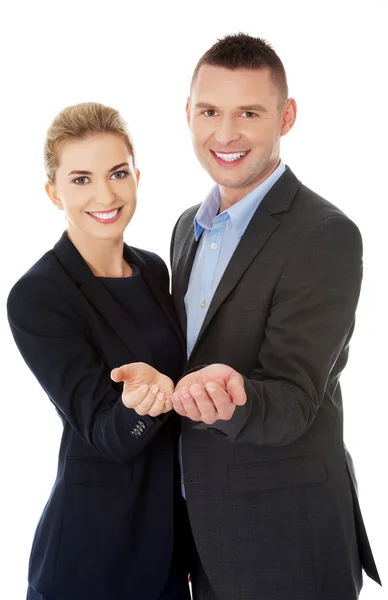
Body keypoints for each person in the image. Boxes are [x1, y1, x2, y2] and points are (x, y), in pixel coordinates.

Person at [113, 34, 382, 599]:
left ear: (285, 118)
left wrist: (234, 395)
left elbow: (294, 398)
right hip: (204, 535)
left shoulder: (324, 235)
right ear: (188, 115)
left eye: (249, 113)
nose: (226, 133)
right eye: (210, 111)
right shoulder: (188, 226)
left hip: (287, 538)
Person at [6, 102, 193, 600]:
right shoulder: (38, 296)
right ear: (54, 193)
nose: (106, 194)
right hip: (92, 560)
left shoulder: (154, 270)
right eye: (82, 179)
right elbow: (104, 433)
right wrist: (140, 405)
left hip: (171, 550)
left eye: (118, 173)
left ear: (137, 176)